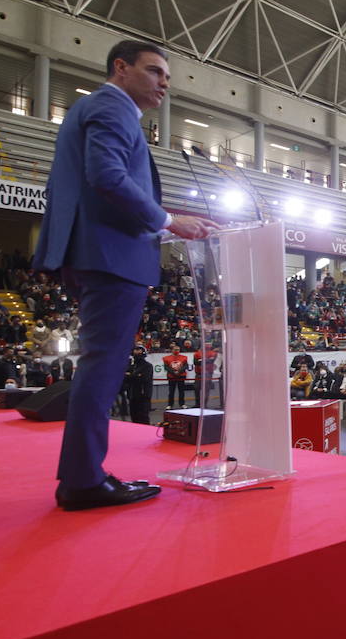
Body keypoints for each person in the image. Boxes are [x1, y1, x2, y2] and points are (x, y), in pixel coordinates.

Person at [33, 39, 213, 511]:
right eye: (155, 72)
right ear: (120, 67)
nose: (164, 84)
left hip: (97, 251)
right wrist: (170, 221)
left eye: (167, 77)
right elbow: (107, 176)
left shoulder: (96, 108)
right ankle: (83, 480)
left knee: (100, 365)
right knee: (103, 367)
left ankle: (82, 474)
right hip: (110, 254)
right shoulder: (111, 106)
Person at [125, 345, 155, 424]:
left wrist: (130, 375)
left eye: (139, 350)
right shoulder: (131, 366)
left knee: (143, 418)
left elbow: (143, 378)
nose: (136, 352)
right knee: (134, 418)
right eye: (135, 350)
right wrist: (134, 375)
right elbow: (125, 378)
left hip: (143, 396)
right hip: (132, 395)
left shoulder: (148, 366)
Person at [163, 342, 190, 408]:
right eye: (175, 349)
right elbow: (166, 367)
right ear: (172, 350)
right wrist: (173, 372)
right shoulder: (166, 358)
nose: (177, 351)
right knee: (171, 391)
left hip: (181, 376)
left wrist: (179, 371)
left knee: (181, 391)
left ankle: (182, 404)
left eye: (178, 349)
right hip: (171, 376)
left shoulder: (184, 357)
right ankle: (170, 404)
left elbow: (185, 366)